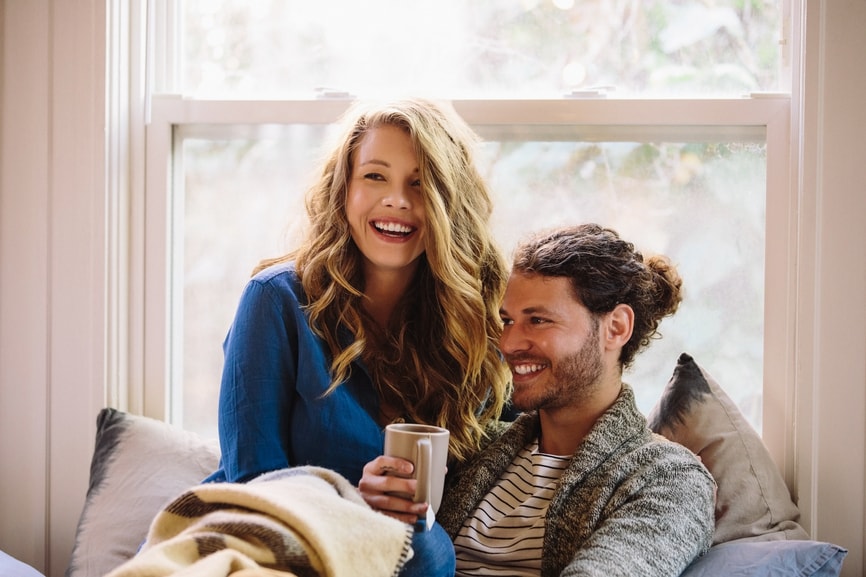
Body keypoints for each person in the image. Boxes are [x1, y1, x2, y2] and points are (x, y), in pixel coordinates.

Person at [203, 97, 512, 576]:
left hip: (405, 562)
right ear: (343, 189)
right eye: (375, 176)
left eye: (420, 183)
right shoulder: (276, 301)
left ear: (449, 201)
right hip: (265, 550)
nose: (397, 200)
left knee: (426, 552)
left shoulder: (474, 327)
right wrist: (349, 502)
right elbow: (252, 487)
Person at [361, 223, 716, 576]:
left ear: (616, 328)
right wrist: (377, 511)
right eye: (508, 321)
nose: (510, 344)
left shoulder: (668, 478)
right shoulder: (475, 447)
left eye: (539, 320)